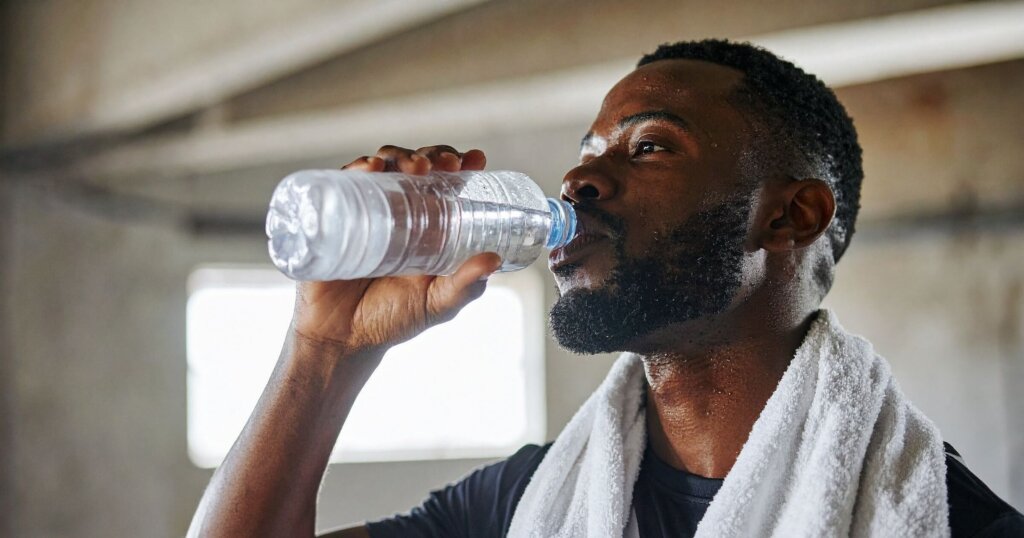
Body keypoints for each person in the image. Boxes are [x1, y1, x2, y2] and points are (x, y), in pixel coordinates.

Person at [187, 39, 1023, 537]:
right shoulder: (525, 504)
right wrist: (326, 349)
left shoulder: (941, 519)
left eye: (649, 146)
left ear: (789, 217)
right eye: (587, 152)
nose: (579, 180)